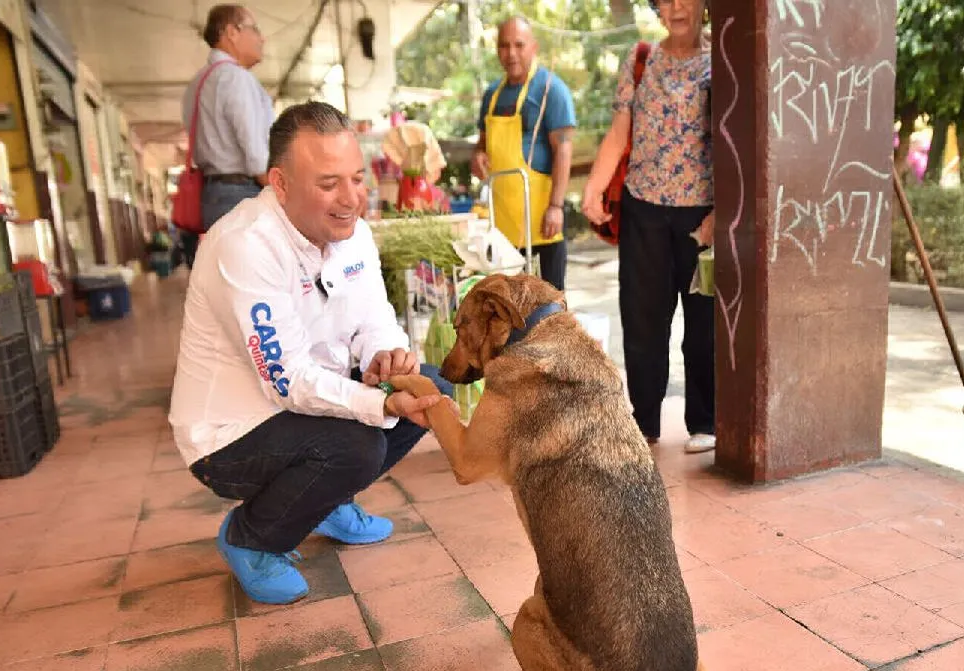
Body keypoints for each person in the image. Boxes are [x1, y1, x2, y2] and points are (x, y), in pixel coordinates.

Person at [169, 101, 453, 604]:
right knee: (358, 445)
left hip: (307, 407)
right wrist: (380, 402)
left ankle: (323, 499)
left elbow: (374, 317)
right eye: (328, 184)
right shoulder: (245, 244)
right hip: (232, 432)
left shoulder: (354, 234)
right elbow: (288, 379)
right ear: (280, 185)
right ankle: (251, 537)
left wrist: (388, 356)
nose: (351, 199)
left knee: (432, 385)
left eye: (357, 179)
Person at [582, 0, 715, 454]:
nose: (676, 7)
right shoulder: (641, 61)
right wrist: (593, 189)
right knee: (642, 322)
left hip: (701, 215)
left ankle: (705, 420)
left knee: (703, 324)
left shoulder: (722, 62)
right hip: (643, 210)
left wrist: (722, 214)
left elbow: (734, 142)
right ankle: (644, 422)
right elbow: (620, 132)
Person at [473, 16, 577, 290]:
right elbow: (481, 145)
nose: (512, 54)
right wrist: (478, 157)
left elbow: (564, 150)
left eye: (519, 45)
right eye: (504, 46)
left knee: (549, 306)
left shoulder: (550, 89)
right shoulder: (492, 95)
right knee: (510, 308)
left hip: (542, 221)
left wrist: (556, 207)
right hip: (502, 226)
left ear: (534, 47)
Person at [182, 4, 274, 235]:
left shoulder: (197, 82)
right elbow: (256, 157)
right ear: (231, 32)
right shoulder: (236, 78)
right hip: (241, 194)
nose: (261, 38)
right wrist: (283, 194)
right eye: (254, 29)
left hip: (211, 195)